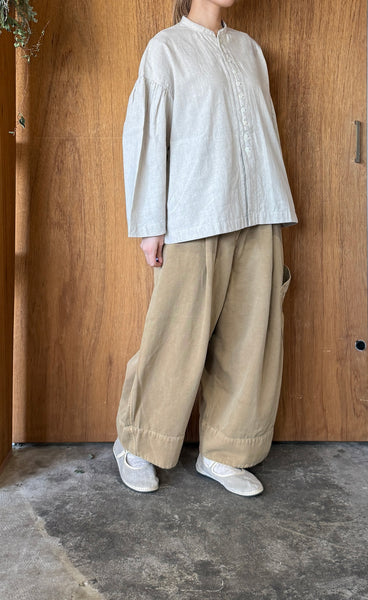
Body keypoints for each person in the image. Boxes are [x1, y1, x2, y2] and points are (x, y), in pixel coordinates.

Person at [113, 0, 298, 497]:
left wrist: (274, 204)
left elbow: (261, 132)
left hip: (258, 209)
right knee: (175, 335)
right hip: (194, 213)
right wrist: (150, 225)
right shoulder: (166, 50)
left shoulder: (250, 50)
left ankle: (225, 451)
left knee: (250, 337)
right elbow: (147, 137)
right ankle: (137, 442)